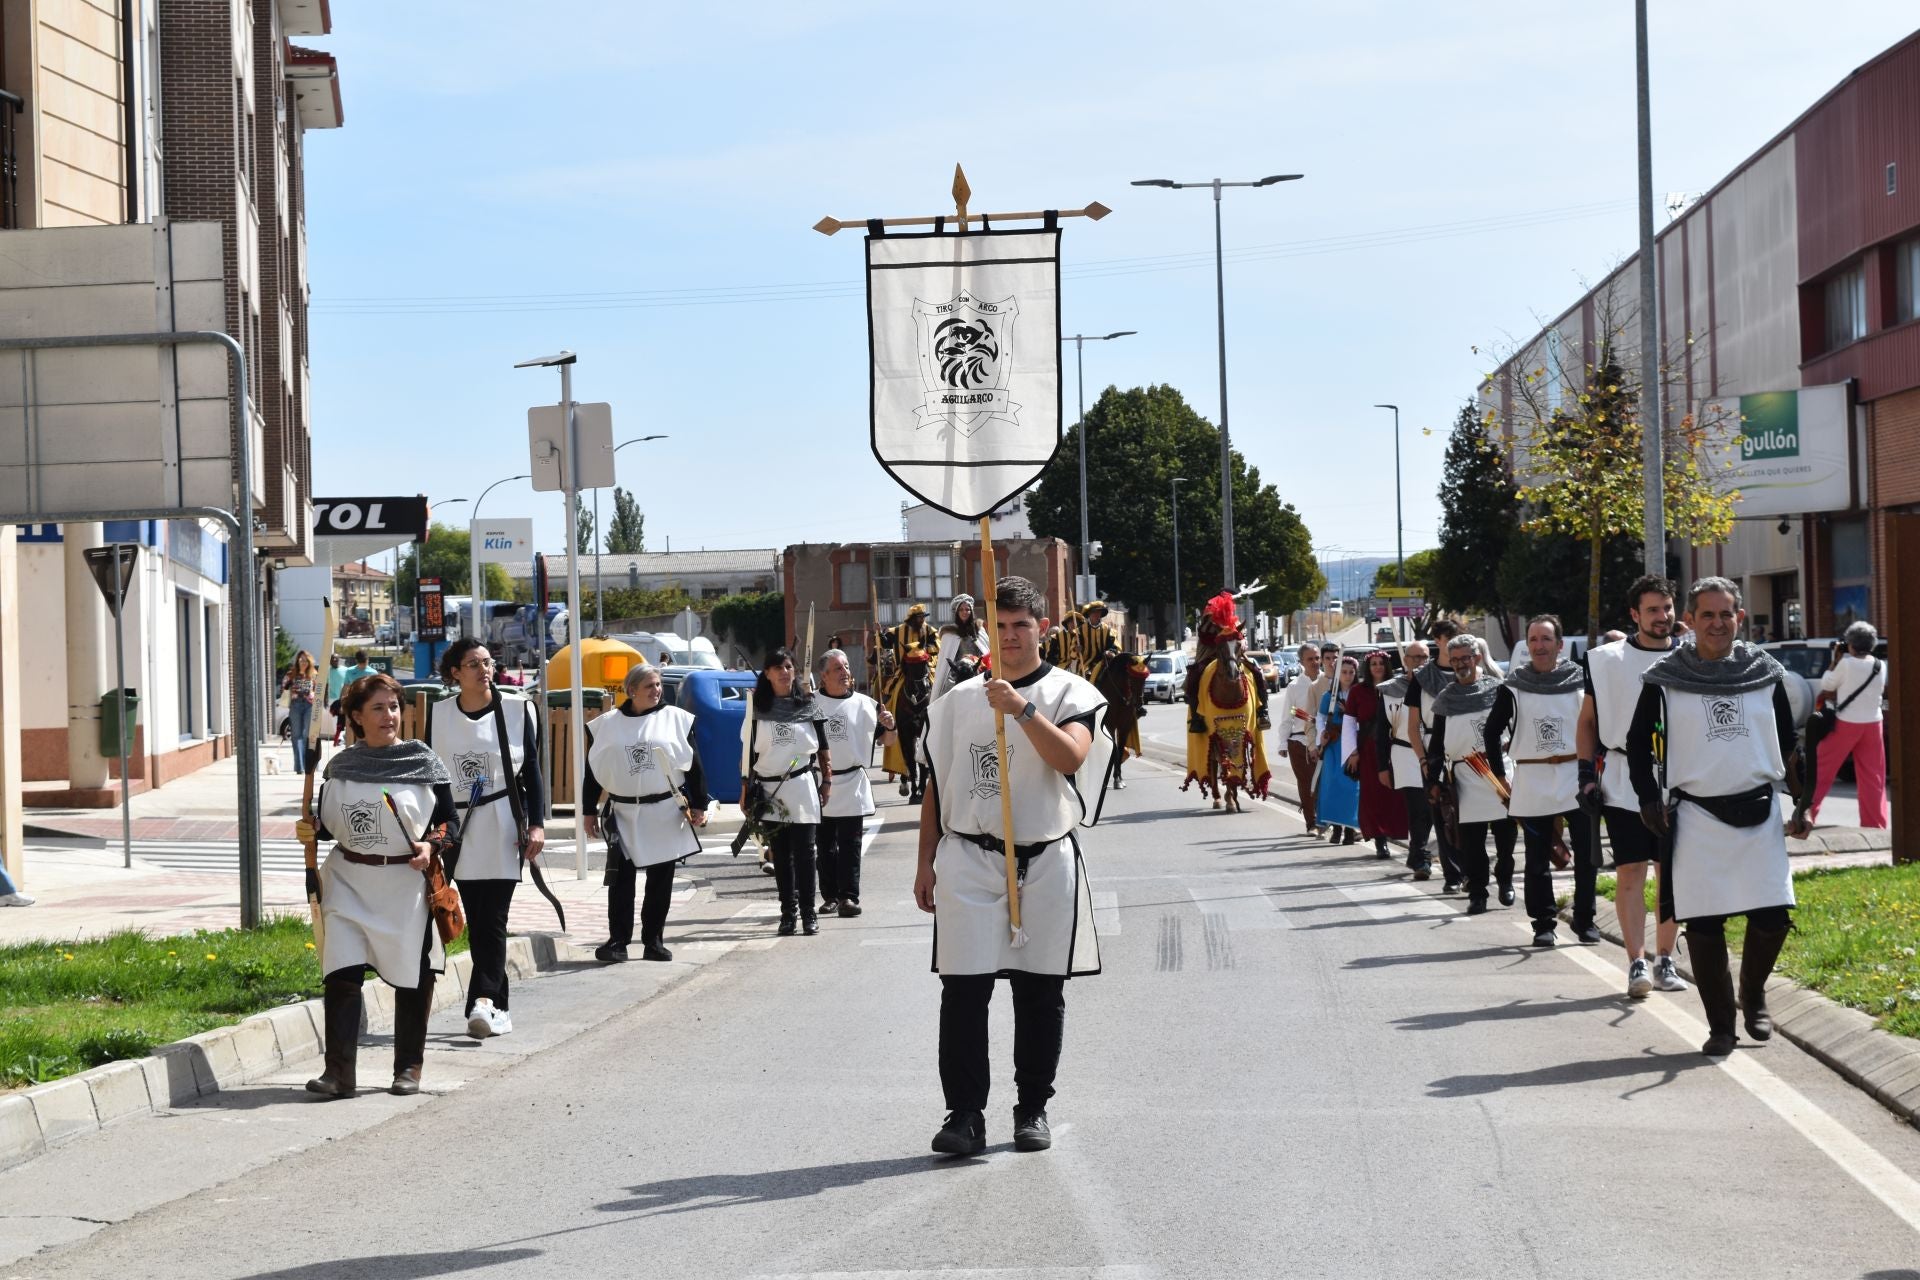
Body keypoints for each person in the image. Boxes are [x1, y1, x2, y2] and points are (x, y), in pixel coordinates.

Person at [915, 575, 1106, 1156]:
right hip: (971, 856)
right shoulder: (952, 704)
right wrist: (925, 863)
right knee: (963, 990)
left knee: (1039, 991)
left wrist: (1020, 708)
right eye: (999, 627)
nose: (1011, 637)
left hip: (1044, 857)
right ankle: (965, 1114)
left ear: (1042, 628)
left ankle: (1032, 1107)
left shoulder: (1071, 693)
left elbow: (1070, 755)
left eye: (1021, 625)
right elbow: (935, 788)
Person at [1627, 577, 1810, 1056]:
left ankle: (1753, 994)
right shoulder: (1666, 676)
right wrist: (1648, 798)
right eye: (1706, 615)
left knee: (1771, 916)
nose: (1717, 623)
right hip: (1698, 817)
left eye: (1725, 614)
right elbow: (1637, 742)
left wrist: (1801, 798)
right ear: (1690, 620)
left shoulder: (1763, 671)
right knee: (1705, 927)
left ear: (1740, 618)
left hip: (1759, 811)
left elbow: (1787, 742)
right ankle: (1721, 1025)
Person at [297, 672, 459, 1098]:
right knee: (341, 975)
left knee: (413, 976)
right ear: (355, 716)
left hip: (404, 888)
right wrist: (312, 828)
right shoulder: (340, 767)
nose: (389, 716)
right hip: (349, 882)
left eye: (393, 707)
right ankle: (339, 1074)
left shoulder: (423, 762)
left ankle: (408, 1068)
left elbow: (450, 824)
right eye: (378, 709)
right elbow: (335, 827)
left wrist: (431, 845)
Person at [425, 637, 546, 1035]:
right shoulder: (439, 714)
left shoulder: (515, 709)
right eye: (473, 664)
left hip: (501, 823)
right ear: (455, 673)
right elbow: (429, 778)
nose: (484, 669)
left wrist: (537, 824)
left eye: (488, 662)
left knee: (492, 919)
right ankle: (501, 1009)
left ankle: (483, 1002)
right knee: (478, 921)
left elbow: (532, 769)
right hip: (457, 828)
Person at [1578, 575, 1689, 999]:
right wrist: (1585, 774)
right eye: (1653, 610)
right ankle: (1636, 961)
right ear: (1634, 615)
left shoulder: (1691, 657)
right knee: (1630, 872)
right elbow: (1587, 722)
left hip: (1679, 779)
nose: (1662, 617)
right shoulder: (1605, 660)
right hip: (1623, 778)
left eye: (1667, 608)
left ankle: (1665, 959)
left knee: (1670, 875)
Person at [1486, 615, 1598, 947]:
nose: (1539, 645)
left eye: (1546, 639)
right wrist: (1500, 777)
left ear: (1559, 645)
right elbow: (1492, 732)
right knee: (1536, 857)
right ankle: (1543, 923)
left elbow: (1596, 726)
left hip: (1573, 776)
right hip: (1532, 778)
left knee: (1587, 855)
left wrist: (1594, 771)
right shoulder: (1513, 686)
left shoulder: (1581, 681)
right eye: (1533, 639)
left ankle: (1585, 919)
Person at [585, 662, 708, 962]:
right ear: (631, 691)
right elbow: (592, 771)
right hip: (623, 811)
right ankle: (618, 941)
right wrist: (588, 810)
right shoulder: (606, 725)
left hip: (664, 809)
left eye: (658, 684)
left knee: (660, 880)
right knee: (621, 880)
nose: (656, 690)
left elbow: (694, 764)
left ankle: (653, 940)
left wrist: (699, 803)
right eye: (649, 685)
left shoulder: (676, 719)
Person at [1424, 636, 1516, 914]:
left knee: (1506, 836)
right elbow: (1437, 744)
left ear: (1476, 658)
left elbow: (1516, 727)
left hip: (1498, 770)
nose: (1461, 664)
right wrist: (1435, 781)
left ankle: (1506, 879)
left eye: (1466, 658)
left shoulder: (1500, 690)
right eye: (1455, 660)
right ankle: (1478, 892)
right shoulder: (1446, 698)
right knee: (1472, 843)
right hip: (1465, 775)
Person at [741, 648, 831, 935]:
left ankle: (808, 913)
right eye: (777, 667)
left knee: (806, 853)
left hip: (802, 784)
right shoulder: (756, 710)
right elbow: (747, 755)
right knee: (780, 854)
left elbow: (823, 747)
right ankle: (787, 914)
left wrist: (826, 780)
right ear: (767, 673)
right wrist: (745, 788)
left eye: (789, 666)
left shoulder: (808, 705)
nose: (784, 672)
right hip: (769, 788)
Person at [813, 648, 895, 917]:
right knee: (825, 845)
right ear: (823, 676)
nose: (845, 672)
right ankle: (829, 896)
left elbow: (888, 741)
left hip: (852, 781)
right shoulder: (810, 704)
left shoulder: (866, 704)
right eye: (838, 668)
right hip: (820, 782)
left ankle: (848, 896)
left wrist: (890, 725)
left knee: (850, 844)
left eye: (846, 666)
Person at [1405, 620, 1466, 891]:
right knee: (1442, 812)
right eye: (1448, 637)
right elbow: (1412, 726)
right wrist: (1423, 759)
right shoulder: (1421, 678)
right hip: (1433, 750)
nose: (1453, 641)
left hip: (1467, 748)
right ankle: (1452, 875)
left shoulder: (1468, 672)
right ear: (1437, 640)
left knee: (1470, 814)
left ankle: (1470, 870)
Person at [1811, 621, 1888, 827]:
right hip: (1873, 723)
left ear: (1851, 644)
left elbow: (1827, 684)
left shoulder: (1846, 664)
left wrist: (1834, 661)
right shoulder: (1880, 666)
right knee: (1873, 776)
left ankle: (1807, 815)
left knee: (1821, 770)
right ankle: (1875, 824)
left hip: (1846, 722)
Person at [1376, 642, 1435, 878]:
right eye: (1415, 657)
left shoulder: (1437, 686)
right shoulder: (1390, 690)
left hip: (1433, 753)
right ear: (1405, 660)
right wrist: (1382, 767)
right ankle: (1421, 858)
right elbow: (1381, 732)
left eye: (1424, 657)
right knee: (1418, 807)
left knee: (1432, 808)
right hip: (1404, 754)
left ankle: (1417, 854)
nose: (1420, 661)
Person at [1349, 651, 1408, 858]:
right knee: (1372, 795)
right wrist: (1352, 752)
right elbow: (1349, 723)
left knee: (1396, 793)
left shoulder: (1398, 688)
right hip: (1368, 750)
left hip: (1396, 747)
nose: (1377, 667)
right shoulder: (1358, 691)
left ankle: (1399, 833)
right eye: (1373, 663)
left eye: (1381, 663)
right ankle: (1379, 840)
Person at [1315, 656, 1362, 844]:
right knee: (1332, 785)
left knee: (1351, 787)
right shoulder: (1329, 696)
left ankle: (1350, 830)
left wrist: (1351, 713)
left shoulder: (1359, 694)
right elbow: (1320, 717)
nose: (1348, 675)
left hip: (1353, 746)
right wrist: (1322, 734)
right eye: (1344, 672)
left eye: (1351, 672)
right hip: (1334, 746)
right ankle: (1336, 828)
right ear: (1338, 674)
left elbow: (1365, 717)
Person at [1281, 643, 1323, 833]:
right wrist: (1282, 743)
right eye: (1310, 659)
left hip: (1324, 742)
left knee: (1323, 783)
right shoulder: (1294, 686)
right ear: (1301, 662)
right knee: (1306, 784)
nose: (1314, 662)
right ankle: (1311, 822)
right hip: (1298, 742)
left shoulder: (1328, 682)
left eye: (1317, 658)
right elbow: (1289, 713)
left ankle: (1327, 819)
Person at [934, 595, 988, 702]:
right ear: (957, 612)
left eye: (967, 609)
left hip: (978, 668)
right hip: (957, 671)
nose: (964, 612)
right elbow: (946, 660)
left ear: (971, 611)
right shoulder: (949, 634)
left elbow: (986, 652)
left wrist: (978, 661)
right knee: (947, 691)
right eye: (961, 610)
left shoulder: (979, 630)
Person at [282, 650, 319, 775]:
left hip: (309, 706)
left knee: (307, 735)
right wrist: (290, 680)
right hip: (296, 706)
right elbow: (284, 687)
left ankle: (309, 764)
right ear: (297, 661)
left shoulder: (314, 674)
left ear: (309, 662)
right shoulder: (291, 673)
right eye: (301, 660)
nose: (303, 662)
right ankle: (299, 766)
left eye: (305, 660)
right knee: (296, 735)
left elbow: (319, 690)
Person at [325, 654, 351, 746]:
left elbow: (349, 683)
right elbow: (326, 685)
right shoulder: (327, 671)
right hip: (332, 698)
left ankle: (341, 738)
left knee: (343, 718)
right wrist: (325, 699)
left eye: (336, 659)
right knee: (334, 719)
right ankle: (337, 737)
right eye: (333, 659)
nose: (334, 660)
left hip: (343, 698)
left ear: (339, 660)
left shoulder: (346, 670)